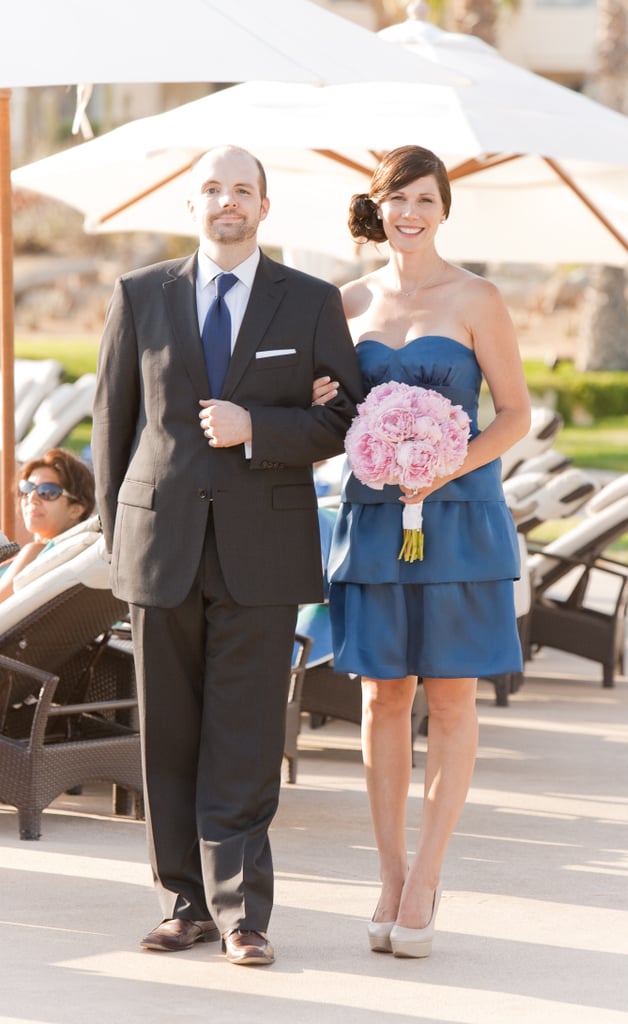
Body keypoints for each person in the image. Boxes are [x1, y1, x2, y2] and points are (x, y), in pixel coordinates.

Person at [91, 145, 363, 967]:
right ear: (191, 206)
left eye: (241, 189)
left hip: (263, 551)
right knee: (168, 733)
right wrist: (118, 540)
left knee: (244, 734)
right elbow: (113, 426)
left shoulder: (311, 301)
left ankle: (244, 913)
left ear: (263, 207)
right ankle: (183, 904)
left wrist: (261, 429)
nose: (226, 201)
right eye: (211, 189)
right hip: (160, 542)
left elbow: (346, 417)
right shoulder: (140, 295)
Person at [315, 145, 531, 959]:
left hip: (459, 519)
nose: (409, 213)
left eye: (425, 200)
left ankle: (427, 876)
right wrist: (324, 408)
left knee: (449, 700)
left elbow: (513, 416)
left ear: (444, 211)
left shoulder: (478, 297)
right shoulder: (343, 303)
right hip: (374, 520)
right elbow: (330, 422)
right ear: (376, 207)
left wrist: (445, 463)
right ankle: (388, 870)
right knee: (380, 700)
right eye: (396, 199)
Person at [0, 448, 95, 604]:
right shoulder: (72, 557)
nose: (32, 498)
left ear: (76, 509)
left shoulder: (34, 552)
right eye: (27, 488)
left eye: (48, 492)